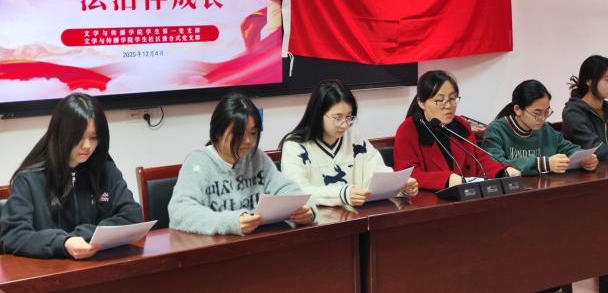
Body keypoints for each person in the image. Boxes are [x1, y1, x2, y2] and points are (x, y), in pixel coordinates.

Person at [0, 93, 143, 259]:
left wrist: (82, 235)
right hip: (50, 271)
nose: (87, 146)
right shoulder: (29, 179)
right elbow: (13, 236)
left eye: (94, 137)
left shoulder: (106, 169)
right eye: (79, 137)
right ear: (61, 135)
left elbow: (133, 216)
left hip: (100, 266)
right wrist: (63, 243)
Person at [169, 93, 314, 236]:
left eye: (253, 133)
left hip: (257, 242)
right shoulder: (198, 162)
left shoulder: (256, 156)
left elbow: (287, 189)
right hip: (216, 245)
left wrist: (306, 210)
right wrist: (230, 222)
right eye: (239, 134)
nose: (248, 141)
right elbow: (180, 211)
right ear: (218, 132)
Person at [280, 80, 418, 207]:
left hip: (356, 216)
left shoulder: (354, 138)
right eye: (337, 118)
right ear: (318, 114)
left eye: (349, 117)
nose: (345, 124)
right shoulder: (295, 145)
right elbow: (296, 191)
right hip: (315, 220)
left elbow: (377, 173)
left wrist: (400, 186)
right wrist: (342, 194)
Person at [394, 70, 519, 191]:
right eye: (440, 100)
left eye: (452, 99)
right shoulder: (408, 130)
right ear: (421, 102)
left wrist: (503, 171)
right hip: (430, 200)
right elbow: (407, 175)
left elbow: (479, 160)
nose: (448, 106)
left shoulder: (461, 125)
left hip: (468, 196)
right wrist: (446, 180)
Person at [482, 80, 598, 175]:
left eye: (546, 112)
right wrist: (544, 164)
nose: (542, 118)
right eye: (537, 113)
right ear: (518, 109)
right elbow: (495, 164)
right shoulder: (497, 130)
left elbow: (568, 148)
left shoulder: (545, 129)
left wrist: (585, 158)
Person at [562, 55, 608, 160]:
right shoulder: (573, 113)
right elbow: (596, 150)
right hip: (591, 170)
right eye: (607, 80)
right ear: (589, 81)